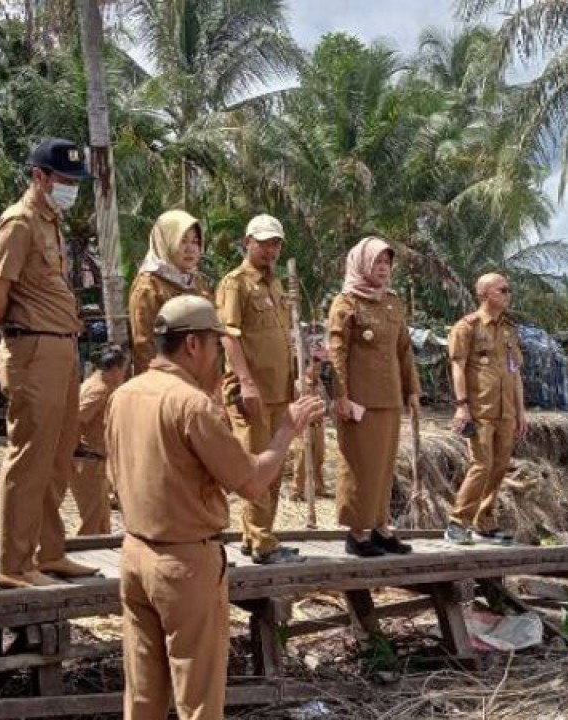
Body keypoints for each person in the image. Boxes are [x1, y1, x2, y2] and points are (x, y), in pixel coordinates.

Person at [107, 295, 324, 720]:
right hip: (185, 564)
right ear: (193, 346)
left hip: (135, 556)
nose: (220, 358)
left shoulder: (125, 395)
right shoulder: (191, 405)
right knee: (199, 701)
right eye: (216, 345)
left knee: (143, 696)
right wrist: (285, 432)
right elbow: (250, 481)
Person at [0, 138, 99, 588]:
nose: (71, 188)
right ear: (39, 177)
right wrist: (17, 333)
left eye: (74, 181)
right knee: (29, 459)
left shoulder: (51, 223)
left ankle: (49, 553)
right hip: (33, 349)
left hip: (60, 348)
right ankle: (13, 564)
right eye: (64, 180)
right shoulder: (19, 222)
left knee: (57, 456)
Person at [327, 236, 421, 558]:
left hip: (390, 397)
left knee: (383, 466)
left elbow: (404, 351)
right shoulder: (346, 302)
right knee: (359, 465)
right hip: (359, 400)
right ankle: (357, 532)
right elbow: (336, 352)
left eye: (386, 263)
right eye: (377, 262)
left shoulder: (393, 303)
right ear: (362, 264)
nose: (383, 269)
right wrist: (340, 396)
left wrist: (412, 391)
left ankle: (381, 528)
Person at [215, 214, 300, 564]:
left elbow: (284, 339)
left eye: (276, 243)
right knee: (255, 464)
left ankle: (259, 536)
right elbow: (228, 336)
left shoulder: (274, 285)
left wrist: (294, 378)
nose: (270, 250)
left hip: (278, 390)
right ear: (247, 242)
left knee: (274, 465)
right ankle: (262, 540)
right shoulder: (235, 283)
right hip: (250, 392)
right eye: (264, 243)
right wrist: (246, 383)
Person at [445, 273, 528, 545]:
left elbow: (514, 372)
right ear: (484, 294)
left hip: (505, 412)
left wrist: (520, 411)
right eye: (502, 289)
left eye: (508, 289)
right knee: (482, 464)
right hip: (479, 408)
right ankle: (458, 522)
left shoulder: (508, 330)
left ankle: (485, 521)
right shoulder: (467, 327)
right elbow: (457, 366)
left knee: (500, 466)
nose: (508, 293)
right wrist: (461, 406)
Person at [127, 210, 211, 374]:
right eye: (182, 241)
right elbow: (145, 346)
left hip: (200, 379)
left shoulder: (197, 282)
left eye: (195, 242)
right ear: (165, 242)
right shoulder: (149, 287)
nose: (190, 249)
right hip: (168, 383)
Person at [70, 346, 127, 535]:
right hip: (88, 460)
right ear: (116, 370)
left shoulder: (94, 383)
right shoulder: (99, 390)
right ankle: (81, 558)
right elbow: (76, 419)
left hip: (94, 460)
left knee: (102, 524)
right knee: (92, 523)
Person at [290, 349, 330, 501]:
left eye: (319, 368)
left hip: (319, 428)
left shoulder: (320, 385)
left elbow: (326, 402)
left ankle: (320, 488)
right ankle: (296, 492)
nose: (318, 371)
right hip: (304, 428)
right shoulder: (298, 386)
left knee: (319, 458)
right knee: (301, 460)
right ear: (306, 367)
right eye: (315, 368)